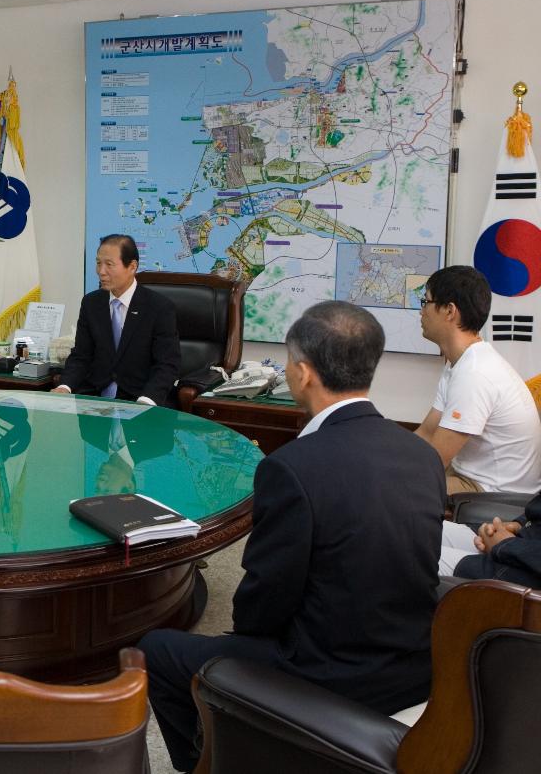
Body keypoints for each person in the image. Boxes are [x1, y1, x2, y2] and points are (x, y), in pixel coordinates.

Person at [138, 301, 445, 772]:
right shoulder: (420, 455)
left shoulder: (292, 467)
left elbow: (263, 603)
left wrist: (245, 643)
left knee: (156, 650)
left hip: (327, 674)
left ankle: (203, 762)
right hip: (414, 668)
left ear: (302, 374)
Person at [415, 265, 541, 495]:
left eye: (426, 302)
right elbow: (426, 433)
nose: (421, 311)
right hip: (470, 478)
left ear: (449, 311)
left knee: (397, 489)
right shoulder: (460, 362)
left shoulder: (475, 373)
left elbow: (433, 462)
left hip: (495, 495)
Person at [53, 234, 180, 405]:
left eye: (109, 264)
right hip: (94, 398)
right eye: (98, 263)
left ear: (132, 266)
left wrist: (147, 400)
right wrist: (65, 386)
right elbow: (81, 356)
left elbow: (166, 365)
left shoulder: (159, 307)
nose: (101, 271)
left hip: (139, 398)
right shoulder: (92, 303)